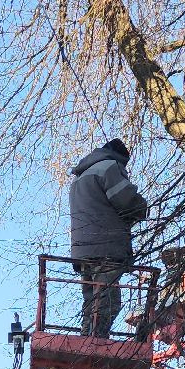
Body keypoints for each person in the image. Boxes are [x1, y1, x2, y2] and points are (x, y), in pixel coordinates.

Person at [69, 138, 149, 337]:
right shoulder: (109, 167)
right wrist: (141, 207)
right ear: (121, 157)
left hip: (83, 250)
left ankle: (86, 340)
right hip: (106, 247)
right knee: (108, 301)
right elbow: (126, 200)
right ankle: (96, 341)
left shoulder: (79, 178)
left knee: (91, 302)